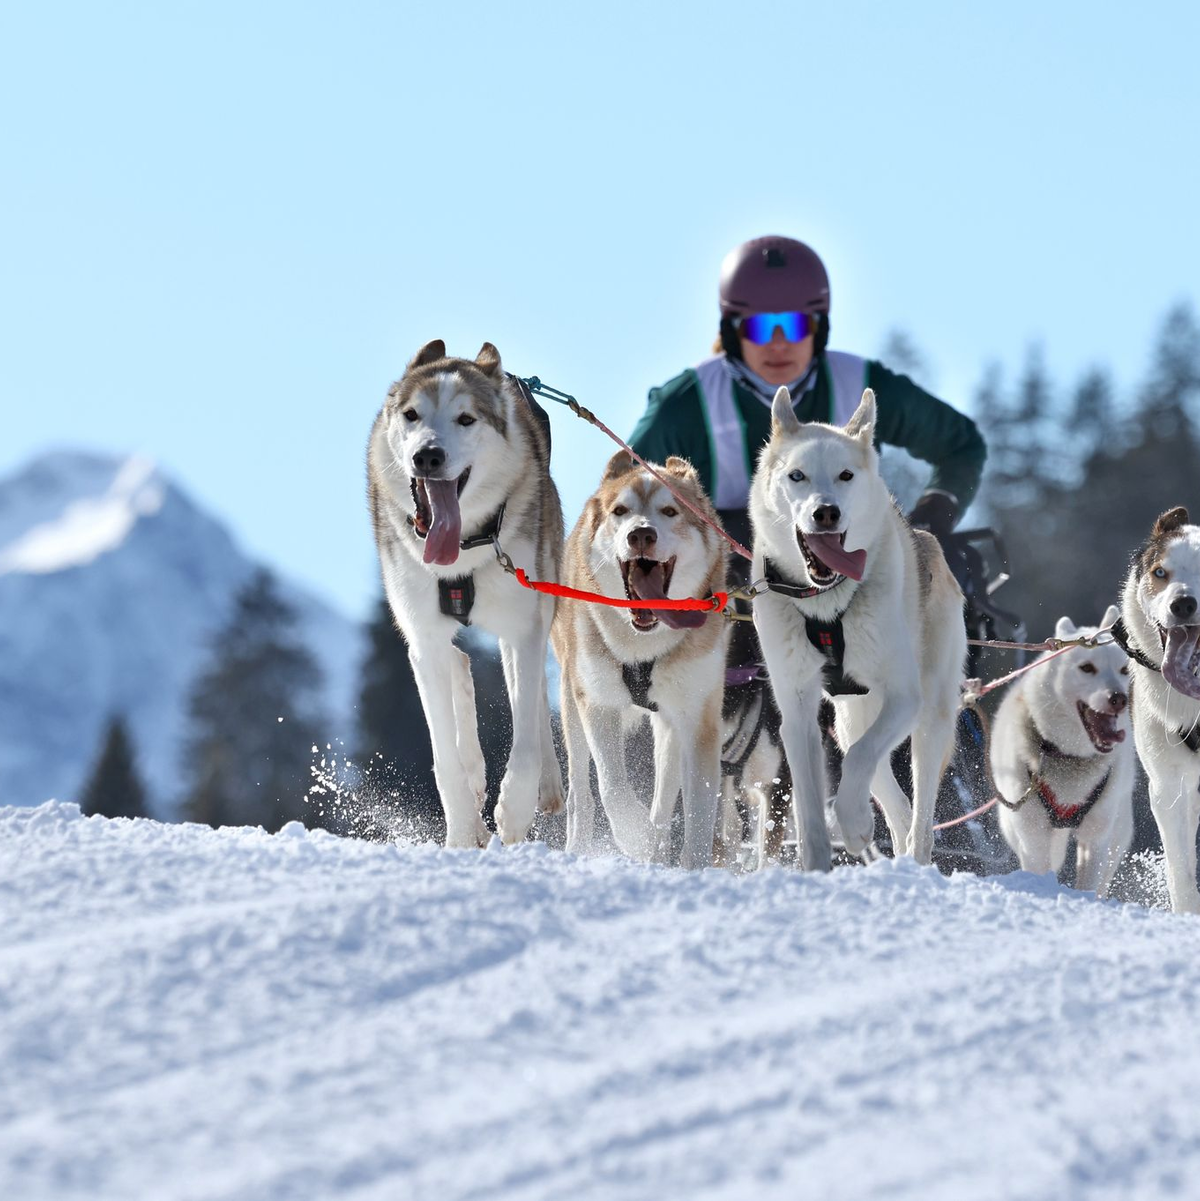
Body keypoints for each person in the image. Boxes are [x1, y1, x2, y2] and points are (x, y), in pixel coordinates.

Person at [628, 234, 986, 553]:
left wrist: (933, 515)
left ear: (820, 327)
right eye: (762, 327)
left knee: (947, 563)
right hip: (728, 582)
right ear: (734, 331)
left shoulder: (860, 384)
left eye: (797, 325)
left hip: (853, 566)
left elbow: (961, 445)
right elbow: (624, 490)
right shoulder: (686, 406)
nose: (780, 343)